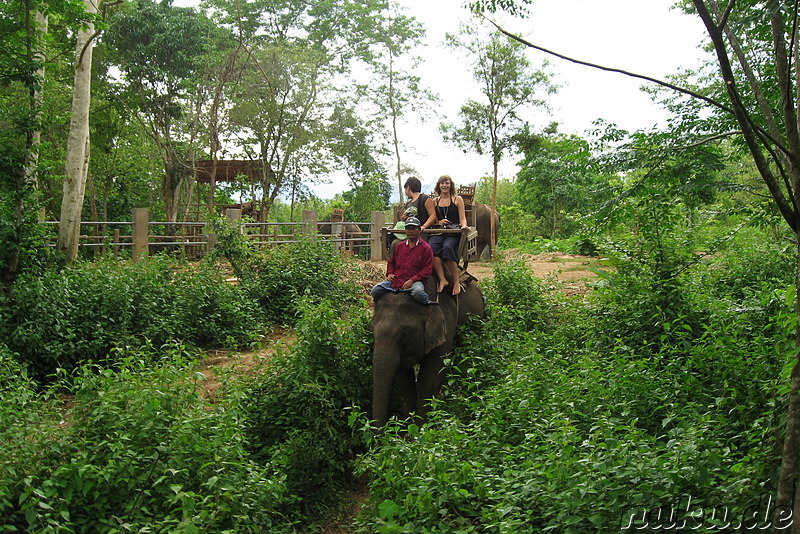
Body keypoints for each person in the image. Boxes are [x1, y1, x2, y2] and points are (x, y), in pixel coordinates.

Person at [371, 217, 438, 305]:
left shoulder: (426, 248)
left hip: (415, 282)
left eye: (414, 228)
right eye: (408, 229)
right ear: (405, 230)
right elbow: (391, 262)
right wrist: (390, 273)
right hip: (397, 280)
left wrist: (412, 280)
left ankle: (428, 306)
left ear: (419, 230)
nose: (411, 231)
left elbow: (427, 270)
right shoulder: (399, 246)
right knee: (375, 291)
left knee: (418, 293)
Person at [428, 175, 469, 295]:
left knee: (447, 247)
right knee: (431, 247)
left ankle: (456, 281)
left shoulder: (457, 199)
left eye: (446, 183)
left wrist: (464, 226)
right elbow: (433, 219)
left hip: (453, 232)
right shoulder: (435, 201)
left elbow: (462, 218)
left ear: (450, 185)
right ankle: (442, 279)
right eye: (442, 183)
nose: (444, 186)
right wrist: (439, 222)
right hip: (439, 231)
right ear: (438, 185)